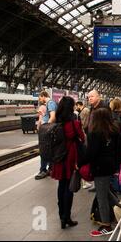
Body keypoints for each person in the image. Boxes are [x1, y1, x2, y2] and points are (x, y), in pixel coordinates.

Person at [79, 108, 121, 237]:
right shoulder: (113, 131)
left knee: (102, 198)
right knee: (106, 191)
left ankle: (106, 225)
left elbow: (91, 153)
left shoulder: (95, 133)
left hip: (100, 168)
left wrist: (79, 163)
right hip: (111, 166)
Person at [49, 96, 85, 229]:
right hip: (70, 157)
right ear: (71, 107)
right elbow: (82, 138)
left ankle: (61, 216)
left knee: (61, 185)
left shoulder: (56, 123)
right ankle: (67, 217)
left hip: (59, 157)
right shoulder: (74, 123)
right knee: (69, 187)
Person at [35, 91, 57, 180]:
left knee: (44, 150)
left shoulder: (50, 103)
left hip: (47, 131)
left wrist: (46, 129)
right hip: (48, 130)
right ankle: (50, 169)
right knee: (48, 150)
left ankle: (44, 170)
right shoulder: (49, 103)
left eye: (40, 98)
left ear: (43, 96)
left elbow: (52, 117)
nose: (40, 100)